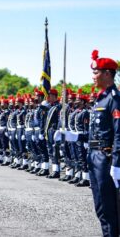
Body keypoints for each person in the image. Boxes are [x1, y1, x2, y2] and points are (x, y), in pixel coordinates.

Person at [56, 50, 119, 236]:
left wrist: (117, 163)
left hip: (105, 158)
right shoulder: (100, 99)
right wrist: (74, 137)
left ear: (107, 74)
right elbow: (96, 133)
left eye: (96, 72)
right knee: (100, 207)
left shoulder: (114, 99)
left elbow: (118, 133)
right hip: (93, 156)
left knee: (110, 208)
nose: (93, 77)